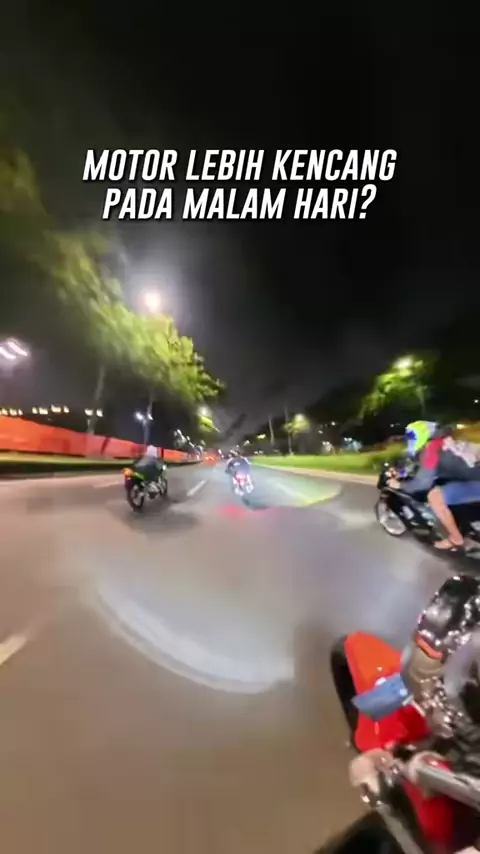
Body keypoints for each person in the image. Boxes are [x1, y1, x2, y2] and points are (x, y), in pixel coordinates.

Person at [387, 420, 480, 551]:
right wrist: (401, 472)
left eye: (412, 437)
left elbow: (423, 483)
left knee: (435, 497)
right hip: (472, 477)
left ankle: (456, 539)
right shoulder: (440, 442)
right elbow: (421, 466)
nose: (410, 441)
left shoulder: (431, 449)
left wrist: (400, 485)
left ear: (422, 435)